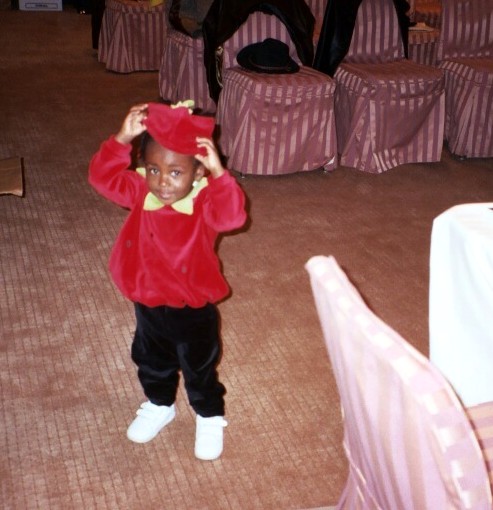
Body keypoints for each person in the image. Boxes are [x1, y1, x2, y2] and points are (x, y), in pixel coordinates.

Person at [88, 101, 247, 460]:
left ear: (198, 172)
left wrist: (220, 175)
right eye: (153, 169)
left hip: (193, 307)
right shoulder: (140, 192)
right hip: (147, 300)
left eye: (176, 172)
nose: (162, 181)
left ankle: (209, 413)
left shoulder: (206, 200)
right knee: (150, 359)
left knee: (198, 367)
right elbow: (101, 178)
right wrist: (121, 138)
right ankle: (160, 403)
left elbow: (232, 217)